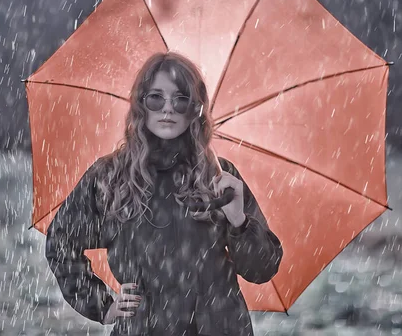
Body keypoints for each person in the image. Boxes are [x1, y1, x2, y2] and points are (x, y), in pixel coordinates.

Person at [45, 52, 283, 336]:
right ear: (141, 105)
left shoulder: (219, 177)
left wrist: (239, 221)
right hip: (143, 328)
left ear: (195, 109)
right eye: (156, 98)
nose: (167, 109)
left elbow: (262, 269)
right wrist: (102, 305)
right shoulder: (110, 177)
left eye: (180, 100)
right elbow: (61, 241)